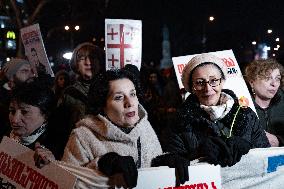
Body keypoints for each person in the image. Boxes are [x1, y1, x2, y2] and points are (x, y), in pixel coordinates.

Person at [59, 69, 190, 188]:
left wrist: (164, 161)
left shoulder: (145, 126)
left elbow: (151, 165)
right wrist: (103, 165)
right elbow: (66, 182)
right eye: (119, 97)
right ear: (102, 105)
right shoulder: (82, 136)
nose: (129, 103)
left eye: (132, 94)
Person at [164, 53, 270, 167]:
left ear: (222, 82)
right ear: (192, 87)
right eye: (200, 82)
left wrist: (248, 147)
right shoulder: (180, 121)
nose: (208, 88)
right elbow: (173, 158)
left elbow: (266, 158)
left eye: (213, 80)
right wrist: (197, 154)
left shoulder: (246, 114)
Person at [3, 79, 64, 161]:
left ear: (45, 115)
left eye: (24, 112)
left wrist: (53, 167)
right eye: (12, 111)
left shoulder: (59, 148)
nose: (15, 120)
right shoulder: (4, 133)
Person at [245, 59, 284, 147]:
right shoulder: (241, 109)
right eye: (267, 78)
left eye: (277, 79)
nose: (274, 84)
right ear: (252, 82)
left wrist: (279, 140)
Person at [0, 58, 34, 140]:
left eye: (31, 70)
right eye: (24, 71)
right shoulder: (4, 95)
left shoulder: (29, 93)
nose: (31, 74)